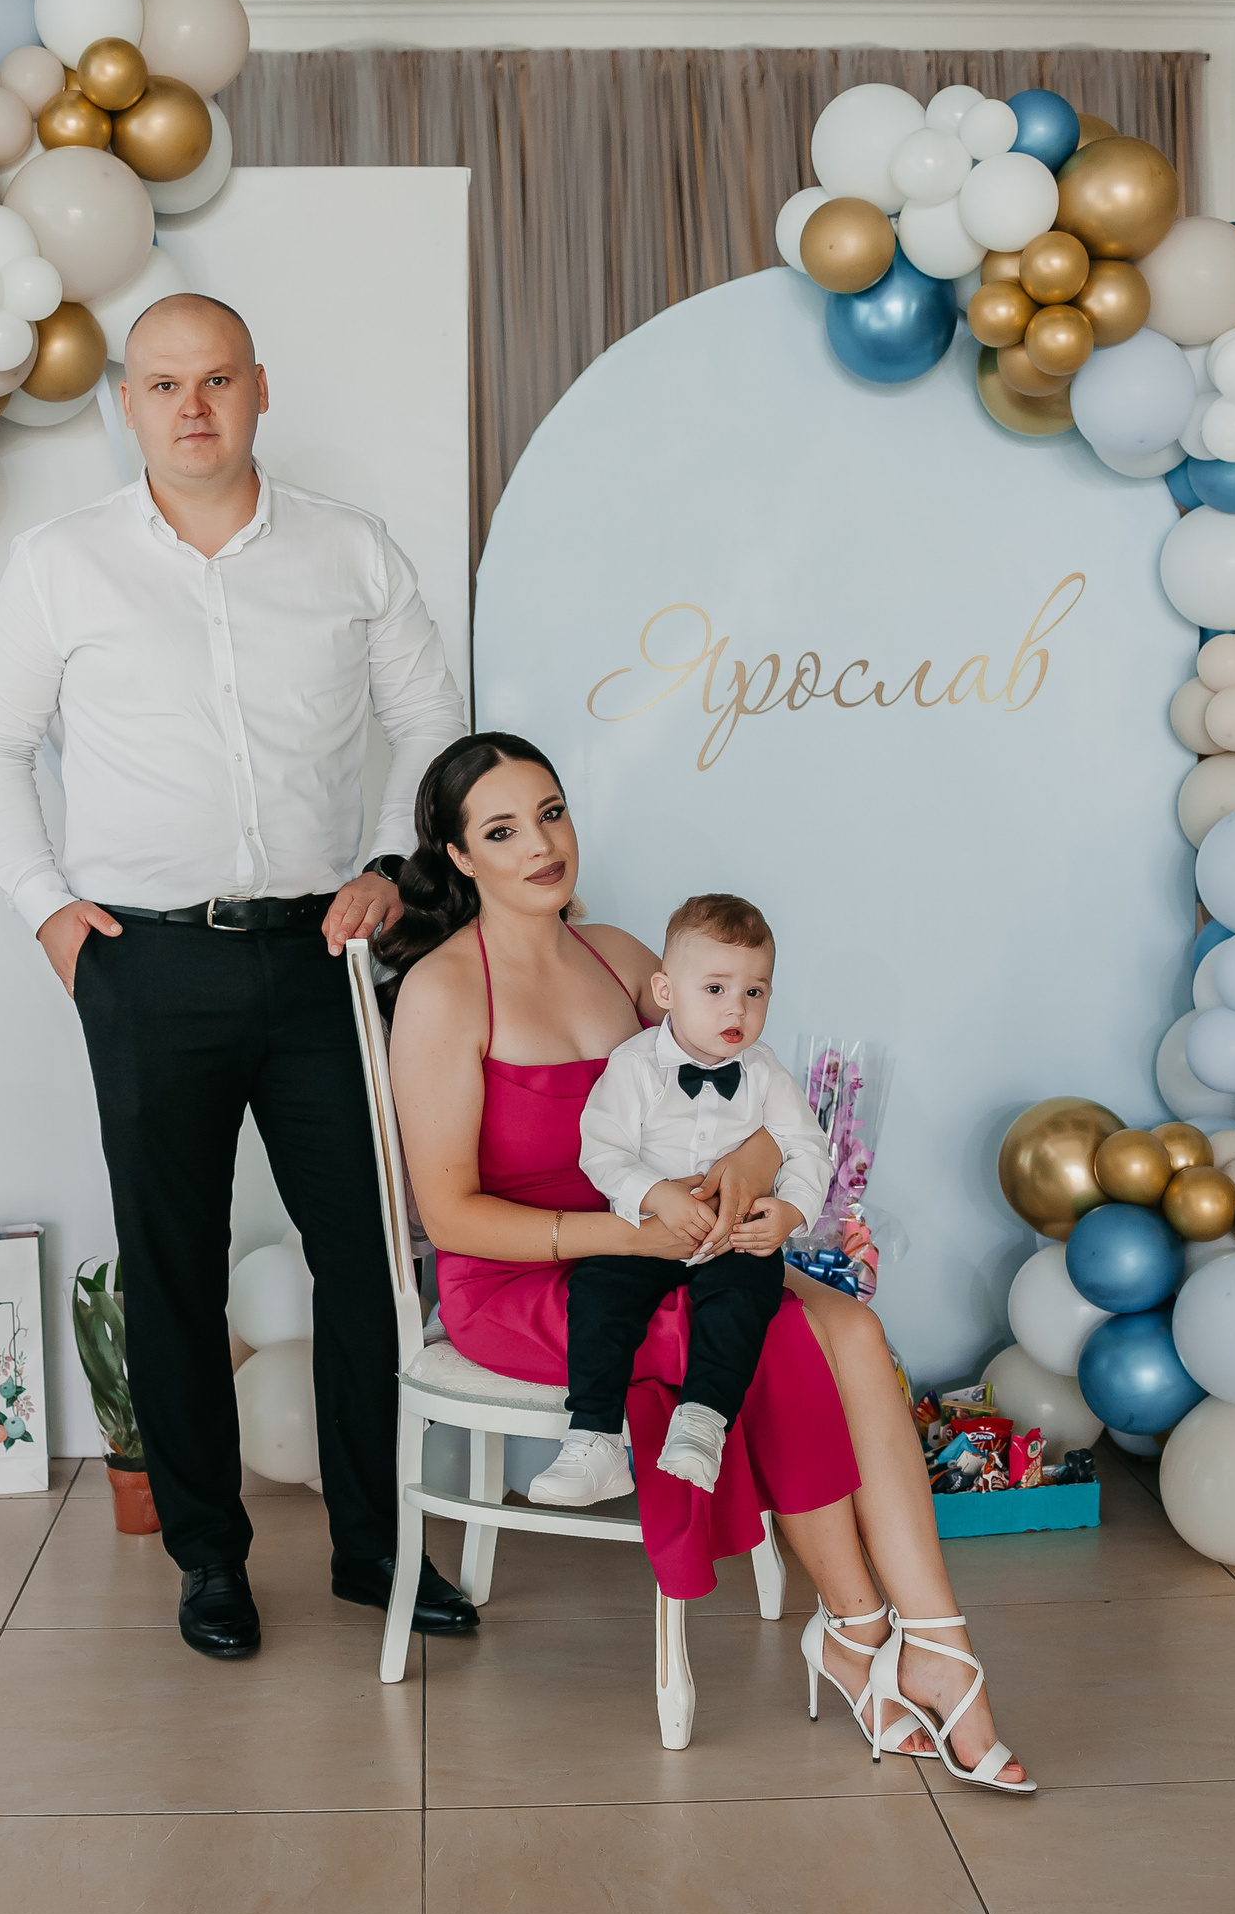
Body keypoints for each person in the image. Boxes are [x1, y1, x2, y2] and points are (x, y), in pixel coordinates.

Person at [0, 291, 476, 1664]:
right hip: (143, 962)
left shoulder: (350, 551)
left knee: (366, 1261)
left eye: (218, 379)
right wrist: (49, 913)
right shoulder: (62, 564)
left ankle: (378, 1547)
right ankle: (209, 1559)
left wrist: (390, 865)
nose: (193, 406)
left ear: (260, 389)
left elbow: (433, 726)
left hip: (323, 956)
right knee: (172, 1268)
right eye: (164, 383)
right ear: (128, 402)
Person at [382, 731, 1033, 1791]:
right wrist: (634, 1233)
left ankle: (934, 1637)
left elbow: (745, 1080)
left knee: (853, 1325)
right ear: (458, 856)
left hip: (674, 1238)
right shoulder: (445, 991)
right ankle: (862, 1628)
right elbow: (452, 1219)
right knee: (775, 1335)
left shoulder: (622, 956)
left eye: (551, 812)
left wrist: (761, 1169)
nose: (541, 846)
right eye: (501, 831)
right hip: (529, 1270)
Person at [535, 890, 828, 1505]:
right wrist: (655, 1194)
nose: (737, 1008)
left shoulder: (765, 1073)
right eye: (716, 988)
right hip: (646, 1235)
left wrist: (793, 1212)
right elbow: (601, 1151)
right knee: (598, 1293)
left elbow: (808, 1147)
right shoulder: (635, 1066)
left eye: (755, 991)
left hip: (729, 1237)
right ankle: (593, 1438)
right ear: (666, 992)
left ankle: (702, 1422)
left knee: (748, 1291)